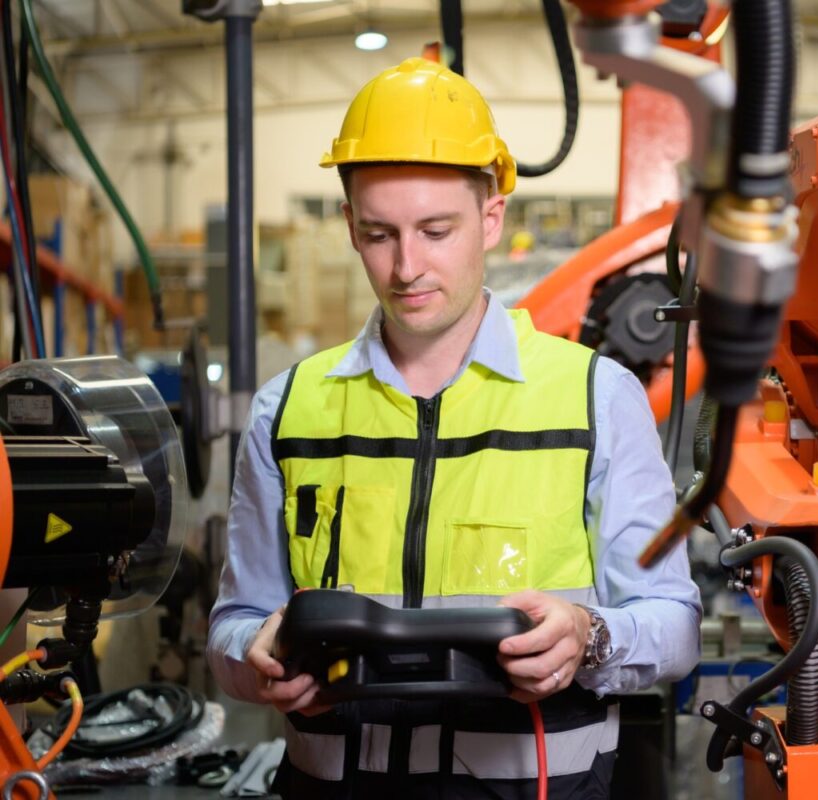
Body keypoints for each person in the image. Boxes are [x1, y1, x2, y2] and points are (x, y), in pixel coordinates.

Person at [206, 57, 701, 799]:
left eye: (436, 230)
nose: (407, 266)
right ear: (348, 225)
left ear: (491, 216)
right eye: (378, 234)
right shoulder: (289, 408)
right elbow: (232, 628)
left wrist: (587, 636)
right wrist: (257, 653)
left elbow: (673, 625)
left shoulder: (595, 396)